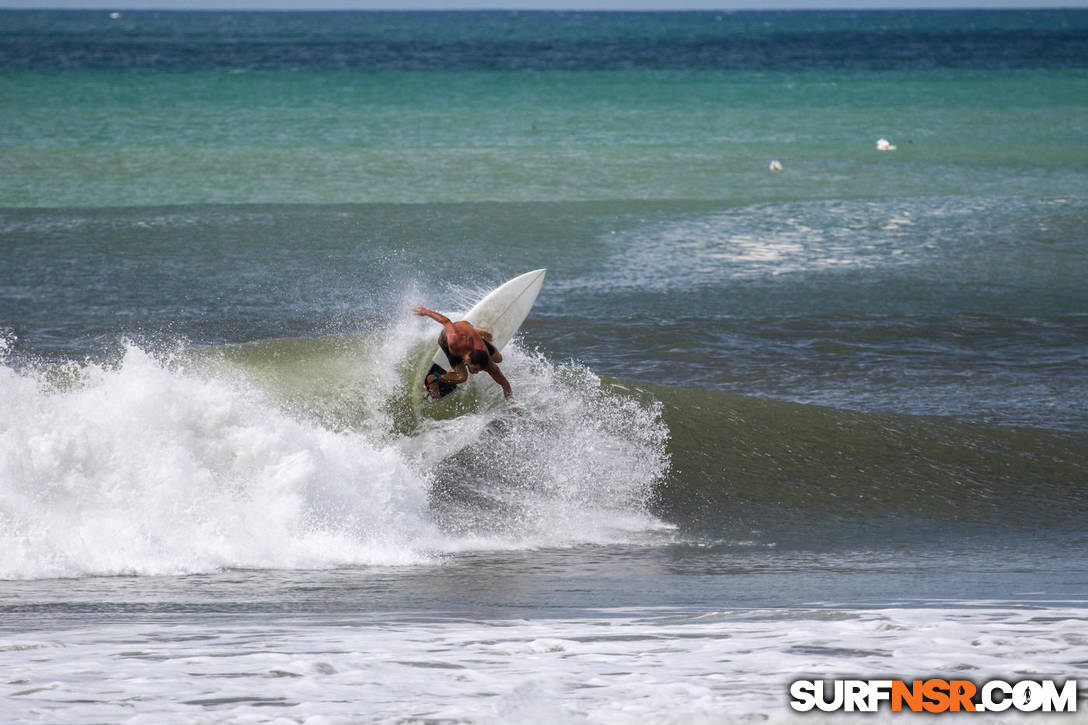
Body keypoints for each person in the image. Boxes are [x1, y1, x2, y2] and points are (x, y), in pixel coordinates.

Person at [411, 305, 513, 400]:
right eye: (476, 369)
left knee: (498, 358)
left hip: (469, 331)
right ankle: (434, 378)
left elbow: (504, 383)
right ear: (468, 360)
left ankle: (477, 331)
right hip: (448, 341)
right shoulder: (454, 341)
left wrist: (512, 405)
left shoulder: (486, 362)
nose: (477, 372)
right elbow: (446, 322)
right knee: (462, 377)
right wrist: (425, 311)